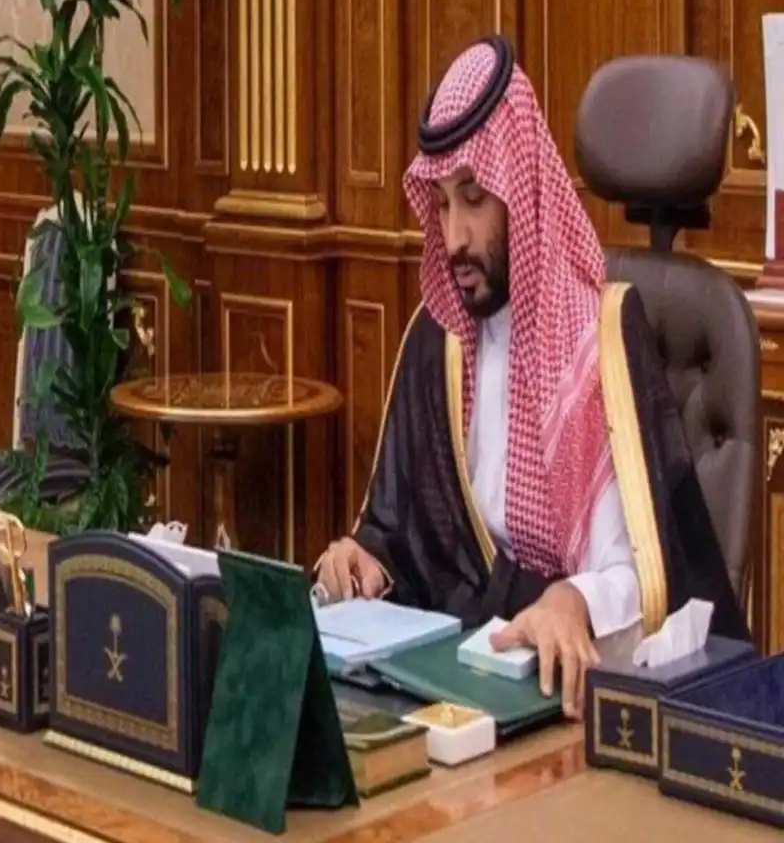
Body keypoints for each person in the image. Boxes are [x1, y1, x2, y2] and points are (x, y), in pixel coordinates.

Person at [315, 36, 748, 720]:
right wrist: (366, 559)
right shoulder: (438, 341)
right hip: (462, 684)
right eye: (442, 205)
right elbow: (412, 534)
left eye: (474, 199)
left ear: (521, 191)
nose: (454, 238)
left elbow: (645, 573)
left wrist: (571, 600)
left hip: (573, 697)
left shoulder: (600, 342)